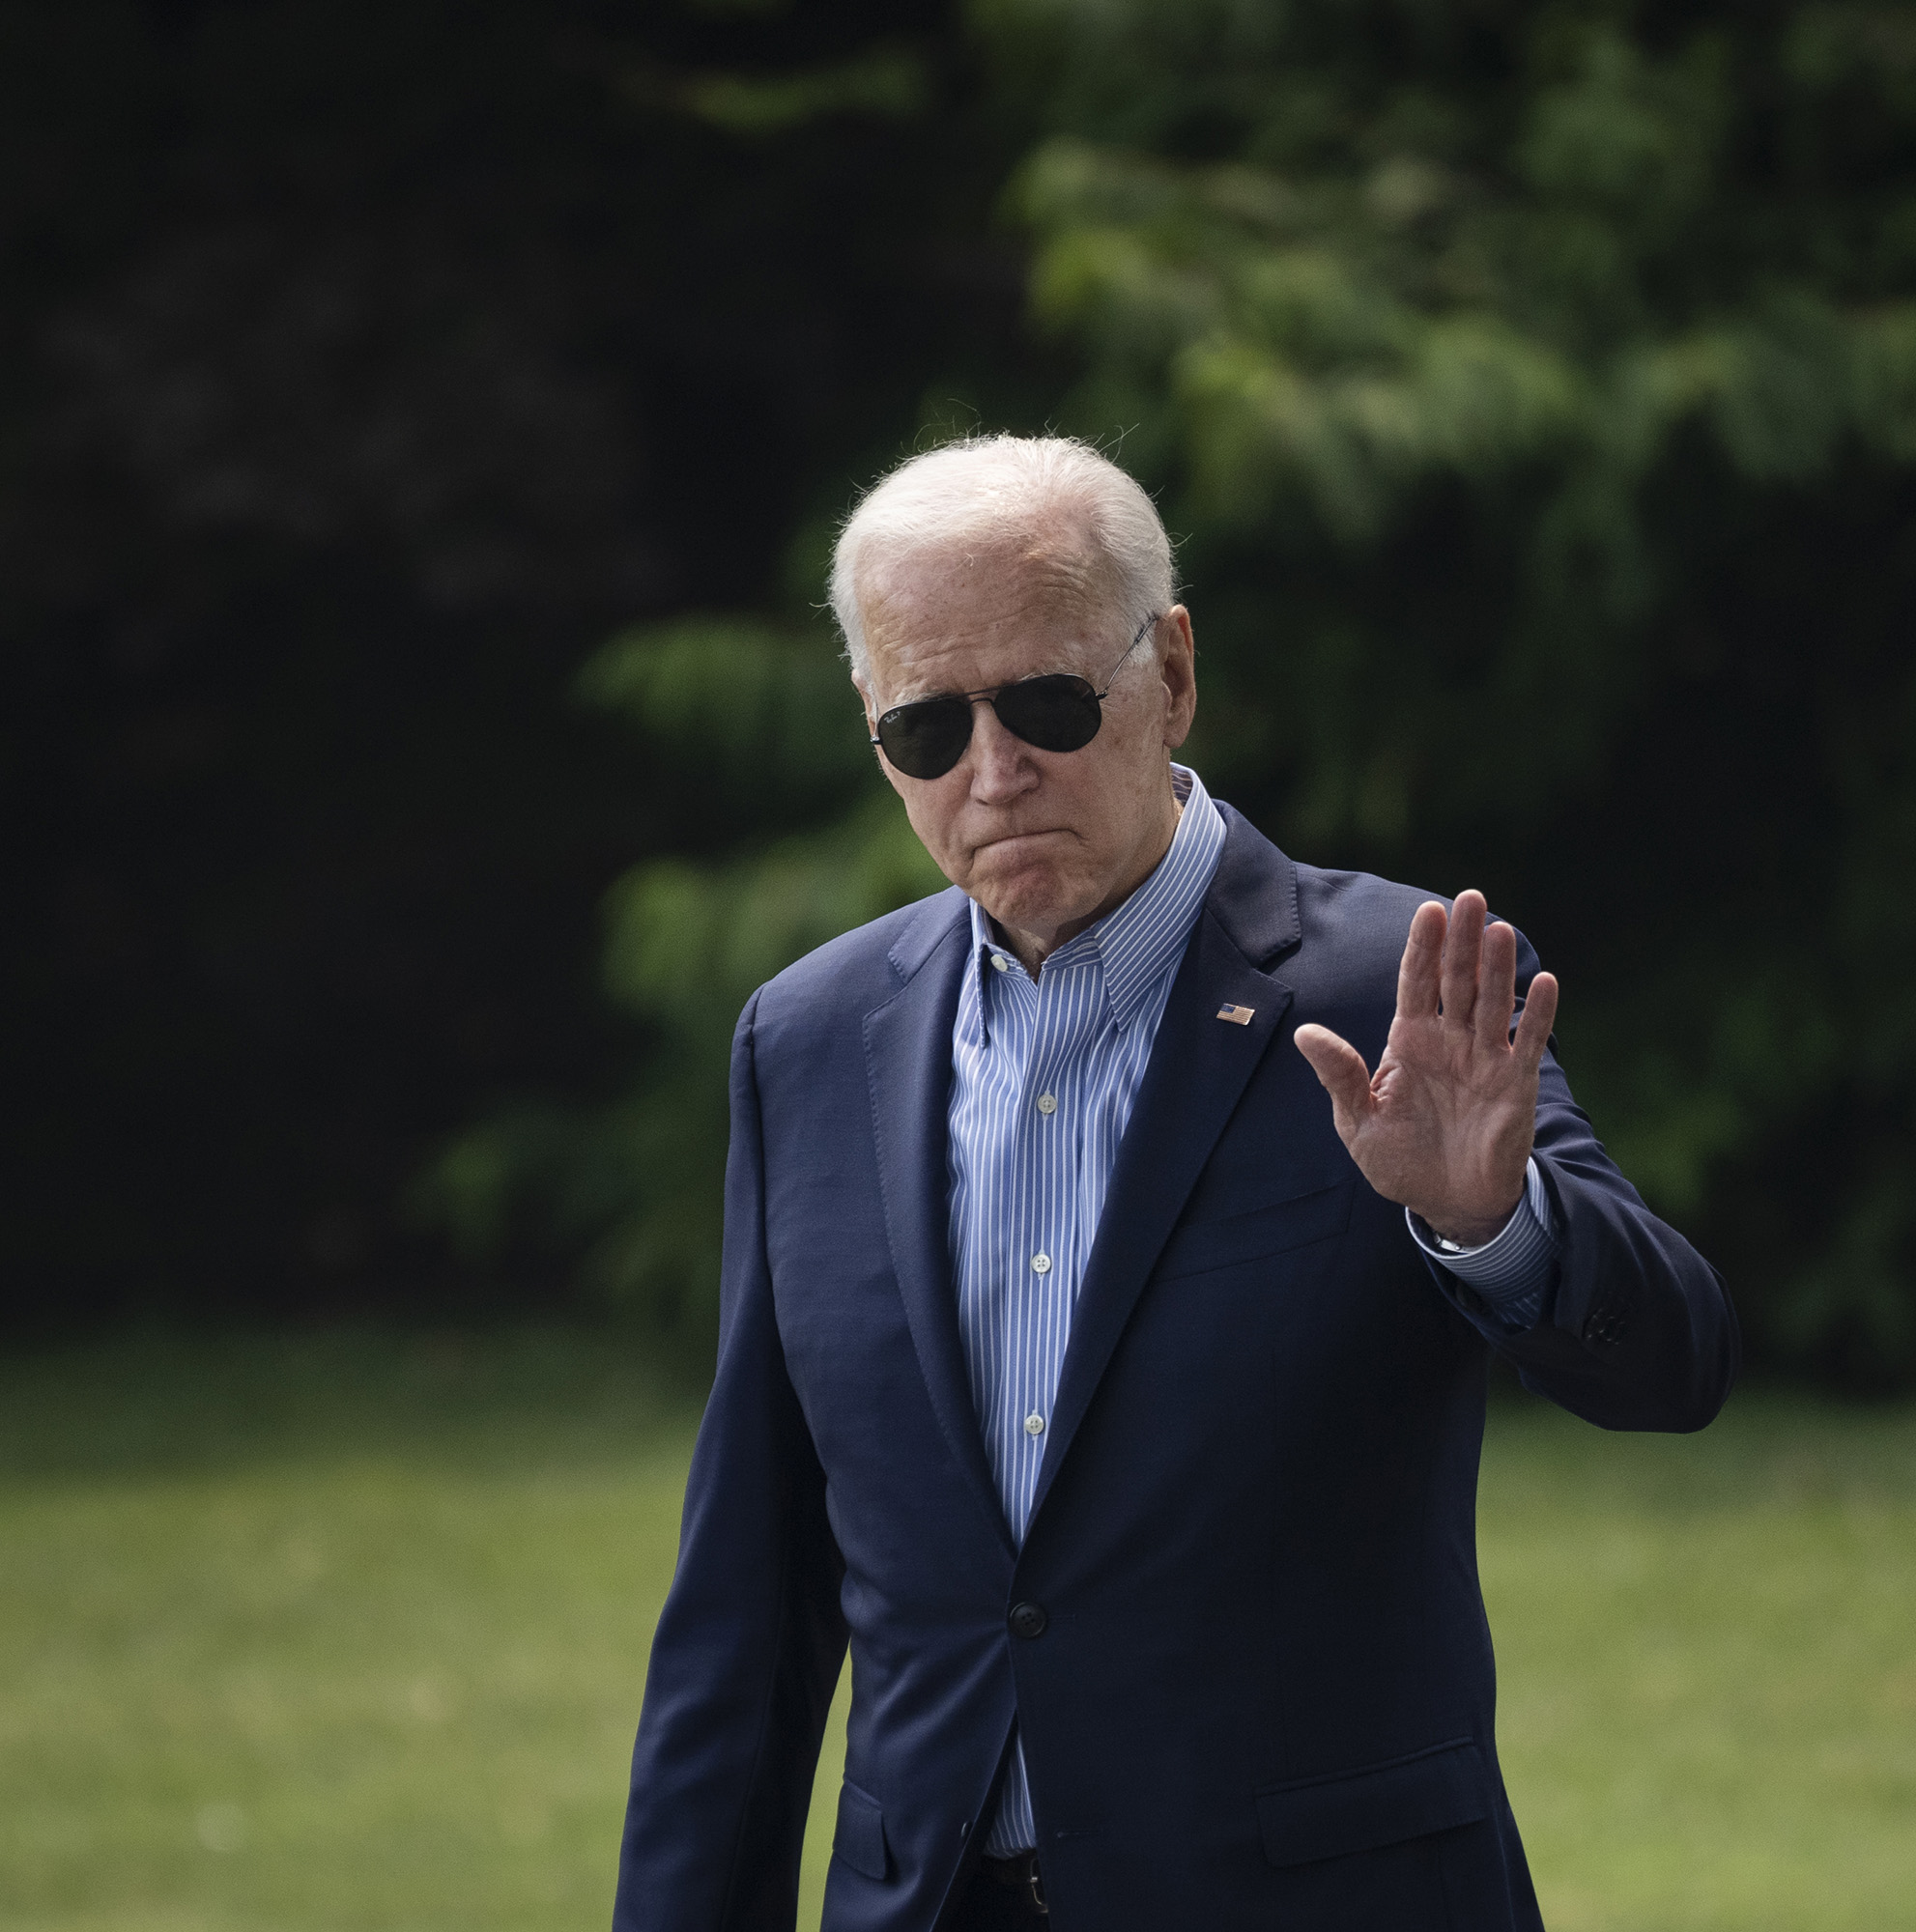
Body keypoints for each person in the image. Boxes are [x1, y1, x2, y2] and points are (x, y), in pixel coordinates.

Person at [611, 435, 1737, 1932]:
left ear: (1175, 675)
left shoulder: (1399, 985)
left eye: (1051, 705)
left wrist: (1490, 1222)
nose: (997, 775)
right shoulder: (806, 1040)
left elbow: (1675, 1366)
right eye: (929, 730)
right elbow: (747, 1602)